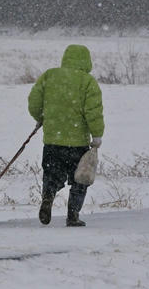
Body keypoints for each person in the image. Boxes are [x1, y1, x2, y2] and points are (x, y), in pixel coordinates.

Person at [28, 44, 104, 227]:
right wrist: (97, 135)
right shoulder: (87, 82)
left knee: (52, 175)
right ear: (87, 61)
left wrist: (41, 117)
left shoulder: (50, 76)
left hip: (53, 141)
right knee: (80, 180)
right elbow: (93, 111)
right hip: (77, 144)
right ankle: (73, 215)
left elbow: (34, 102)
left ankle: (48, 196)